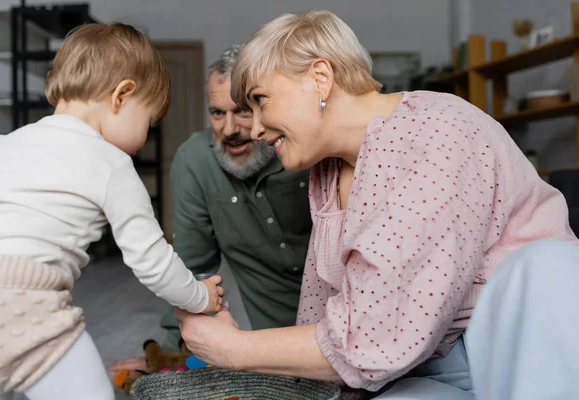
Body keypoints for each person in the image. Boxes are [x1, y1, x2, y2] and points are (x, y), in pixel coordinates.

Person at [172, 11, 579, 400]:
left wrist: (236, 350)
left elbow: (374, 337)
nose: (256, 128)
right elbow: (324, 312)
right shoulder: (328, 171)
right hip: (424, 365)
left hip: (518, 353)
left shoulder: (436, 132)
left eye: (261, 100)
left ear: (319, 78)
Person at [0, 23, 224, 400]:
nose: (144, 140)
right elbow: (152, 261)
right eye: (148, 122)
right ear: (121, 96)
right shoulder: (110, 163)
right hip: (28, 314)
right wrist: (200, 297)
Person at [108, 45, 312, 372]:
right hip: (275, 348)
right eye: (217, 113)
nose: (229, 129)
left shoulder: (306, 147)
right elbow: (194, 265)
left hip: (354, 324)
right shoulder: (195, 161)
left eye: (242, 110)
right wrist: (170, 356)